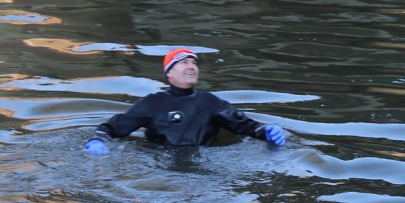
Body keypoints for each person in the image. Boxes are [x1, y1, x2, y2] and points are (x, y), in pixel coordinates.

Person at [83, 48, 286, 153]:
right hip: (159, 164)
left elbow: (245, 126)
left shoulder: (210, 102)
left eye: (194, 63)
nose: (191, 66)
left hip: (204, 164)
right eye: (183, 62)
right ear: (169, 73)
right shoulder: (153, 103)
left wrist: (266, 130)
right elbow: (114, 127)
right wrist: (97, 140)